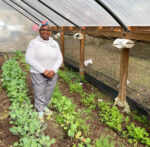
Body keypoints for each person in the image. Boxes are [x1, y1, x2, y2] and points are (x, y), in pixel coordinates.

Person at [25, 21, 63, 123]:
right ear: (39, 31)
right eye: (43, 30)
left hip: (52, 73)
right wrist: (43, 70)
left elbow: (59, 58)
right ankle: (40, 111)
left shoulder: (54, 43)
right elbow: (29, 58)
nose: (46, 32)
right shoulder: (34, 43)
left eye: (48, 30)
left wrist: (53, 70)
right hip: (38, 73)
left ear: (50, 32)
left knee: (49, 91)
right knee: (39, 91)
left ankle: (45, 106)